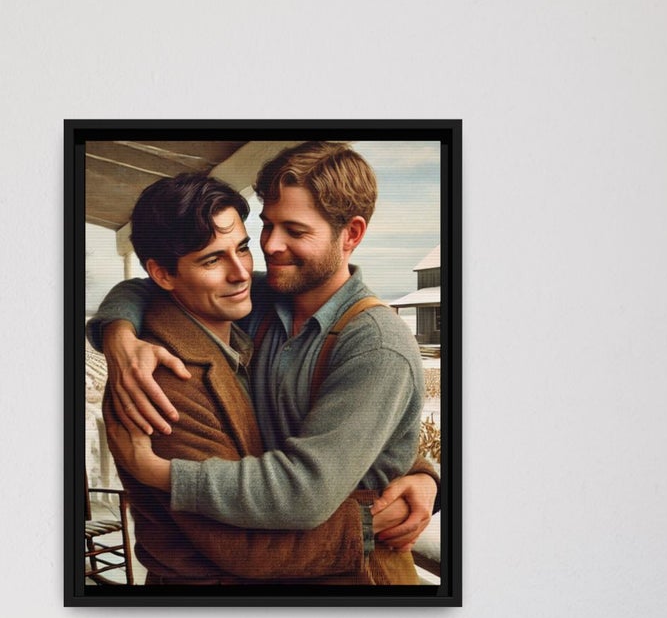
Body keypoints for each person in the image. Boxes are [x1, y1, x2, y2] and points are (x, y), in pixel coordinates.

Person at [95, 141, 437, 577]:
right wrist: (117, 333)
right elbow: (148, 284)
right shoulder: (265, 297)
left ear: (350, 235)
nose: (270, 247)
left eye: (295, 231)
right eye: (267, 225)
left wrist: (160, 473)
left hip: (360, 576)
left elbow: (305, 492)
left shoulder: (375, 344)